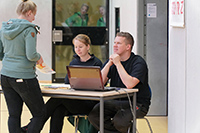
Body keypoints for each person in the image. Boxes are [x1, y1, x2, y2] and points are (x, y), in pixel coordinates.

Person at [22, 34, 102, 133]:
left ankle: (33, 126)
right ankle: (34, 126)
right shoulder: (74, 62)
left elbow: (98, 84)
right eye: (76, 47)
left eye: (81, 47)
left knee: (57, 98)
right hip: (74, 100)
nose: (78, 49)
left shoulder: (96, 63)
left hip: (88, 102)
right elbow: (67, 82)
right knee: (58, 109)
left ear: (88, 47)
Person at [88, 32, 151, 133]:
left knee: (120, 121)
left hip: (136, 103)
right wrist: (109, 64)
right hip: (115, 101)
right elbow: (99, 83)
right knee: (94, 115)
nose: (114, 45)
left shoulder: (138, 62)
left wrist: (118, 64)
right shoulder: (112, 62)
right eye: (114, 42)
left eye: (118, 43)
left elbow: (130, 85)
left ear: (128, 47)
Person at [0, 0, 46, 133]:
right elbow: (31, 55)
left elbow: (0, 52)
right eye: (34, 15)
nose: (34, 18)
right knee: (40, 114)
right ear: (29, 12)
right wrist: (39, 57)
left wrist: (10, 61)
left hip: (5, 76)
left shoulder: (4, 28)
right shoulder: (29, 29)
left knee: (14, 115)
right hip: (24, 77)